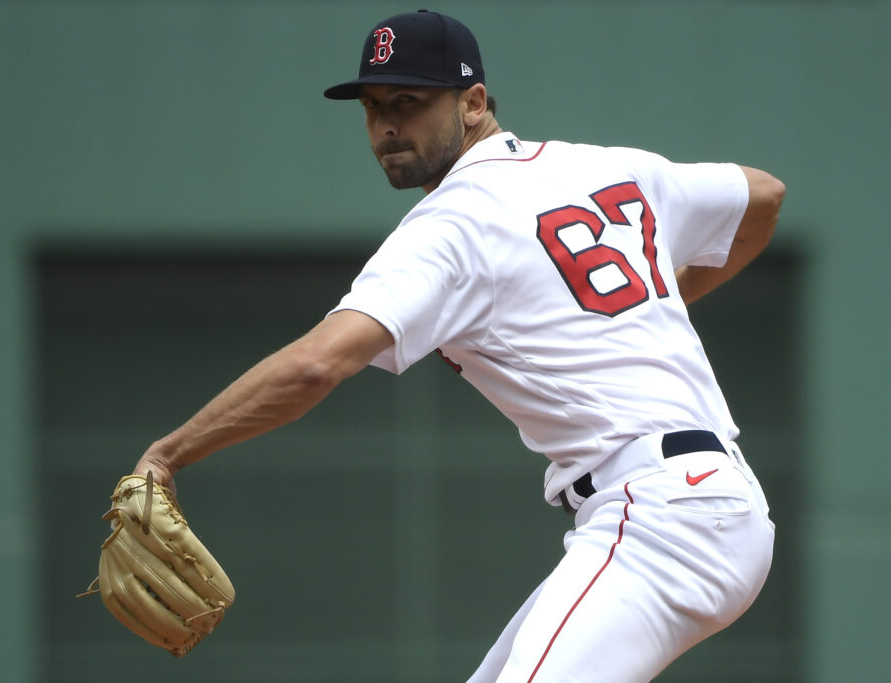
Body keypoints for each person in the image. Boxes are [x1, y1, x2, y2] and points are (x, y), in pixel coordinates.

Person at [134, 9, 785, 682]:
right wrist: (660, 296)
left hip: (659, 519)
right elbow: (762, 197)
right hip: (697, 505)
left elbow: (313, 365)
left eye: (410, 103)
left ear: (474, 103)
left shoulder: (452, 226)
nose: (387, 126)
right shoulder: (606, 168)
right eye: (373, 107)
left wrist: (168, 453)